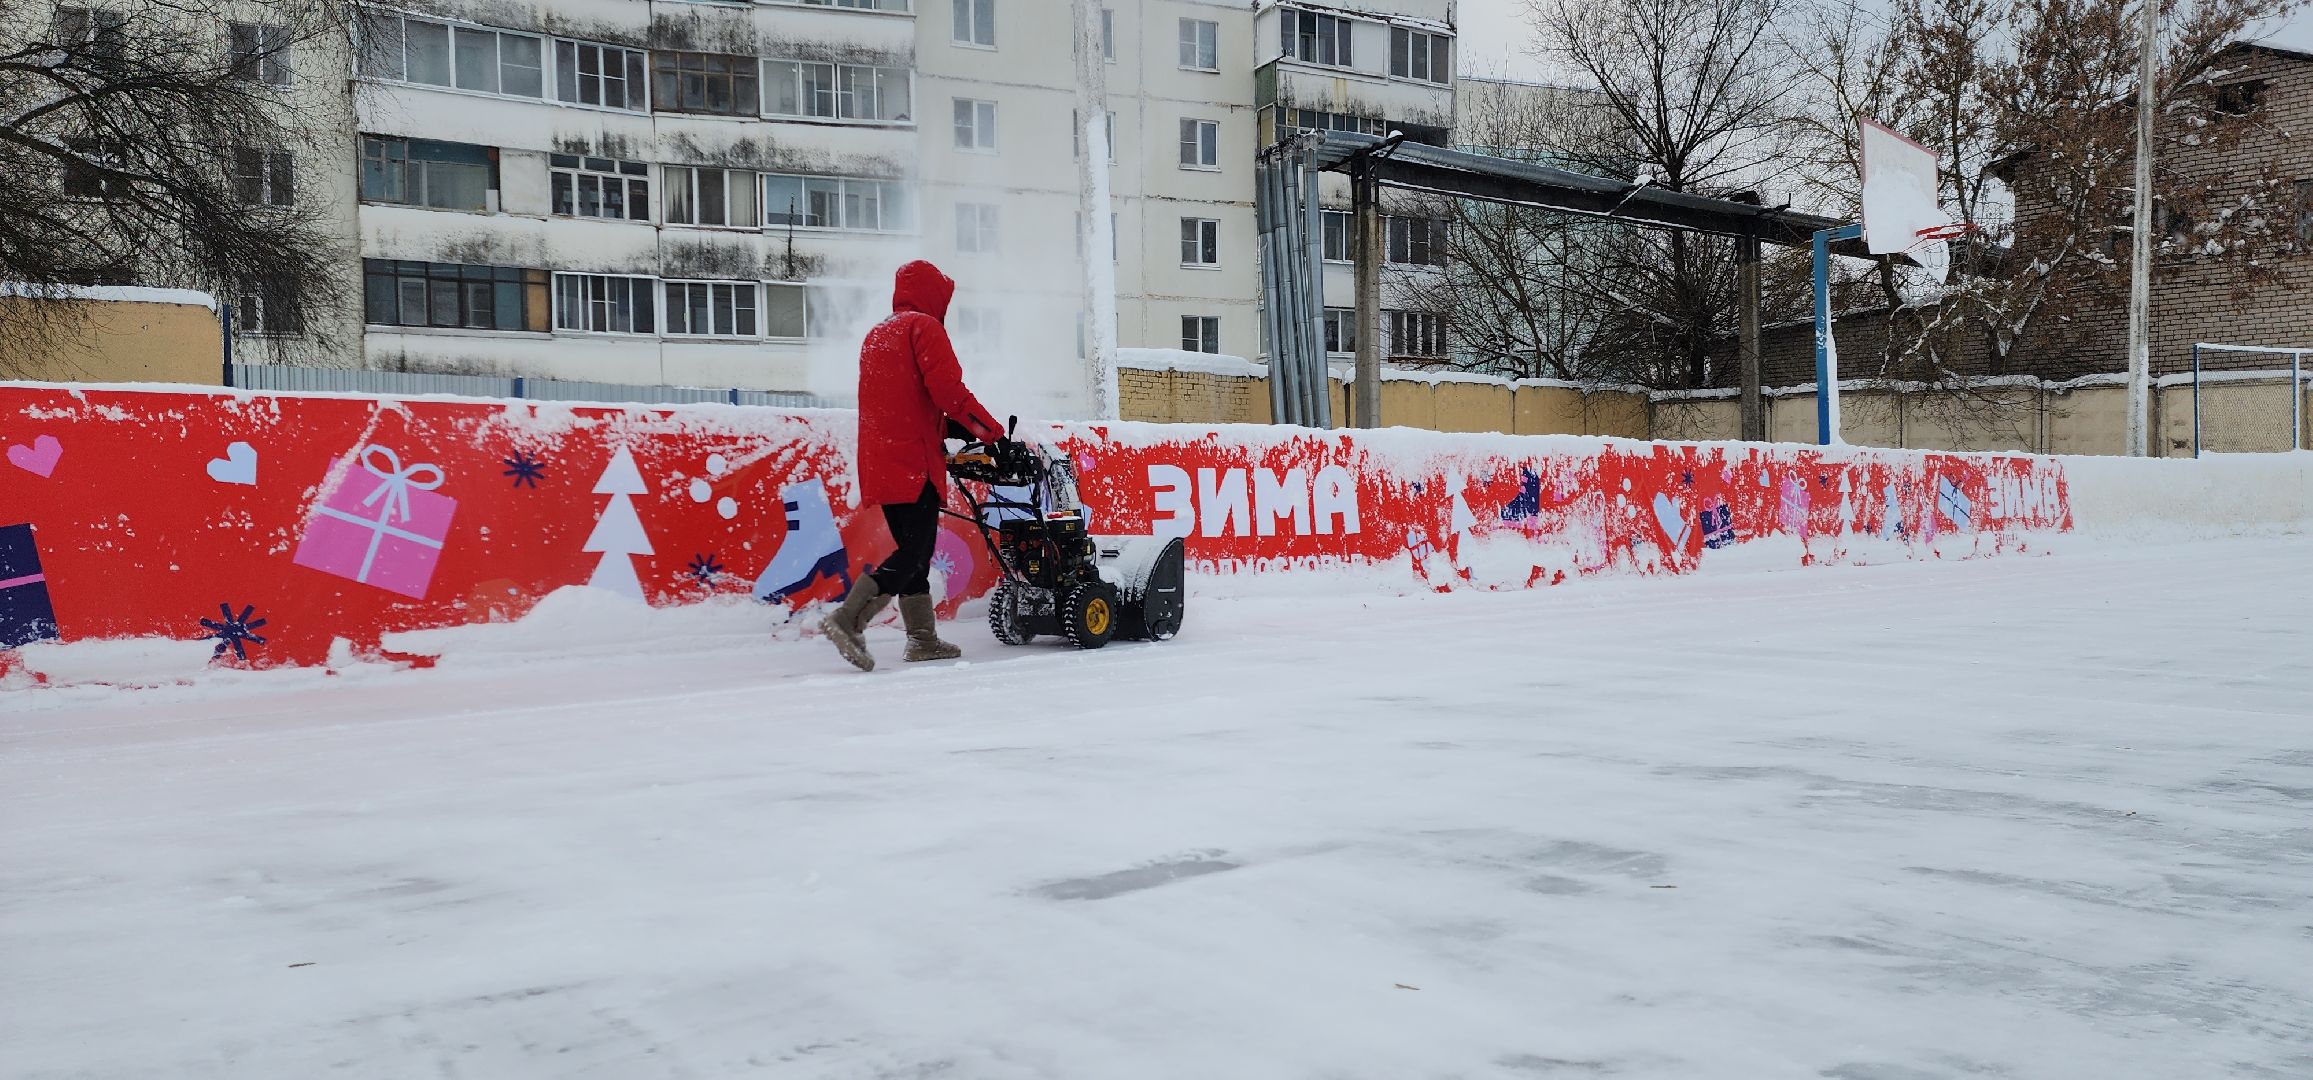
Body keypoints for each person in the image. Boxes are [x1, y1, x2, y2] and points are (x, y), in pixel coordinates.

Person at [821, 259, 1007, 671]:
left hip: (880, 463)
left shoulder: (877, 334)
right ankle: (848, 619)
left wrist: (948, 427)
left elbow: (903, 401)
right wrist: (991, 433)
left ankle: (922, 639)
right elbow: (949, 393)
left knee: (914, 553)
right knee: (913, 554)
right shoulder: (924, 328)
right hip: (913, 464)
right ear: (933, 295)